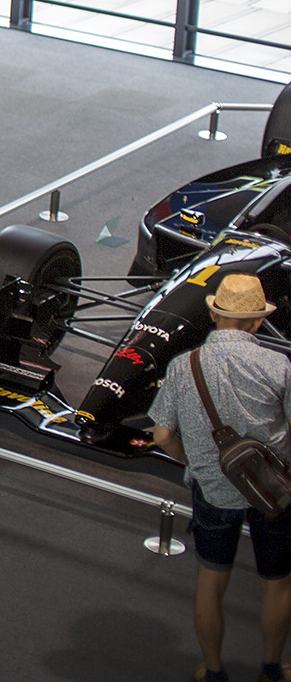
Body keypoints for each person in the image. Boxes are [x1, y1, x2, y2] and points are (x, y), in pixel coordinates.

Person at [151, 273, 291, 682]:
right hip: (275, 494)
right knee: (277, 585)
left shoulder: (184, 366)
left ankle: (213, 673)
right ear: (258, 321)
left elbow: (162, 435)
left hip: (211, 491)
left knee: (211, 584)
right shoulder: (279, 365)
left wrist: (196, 463)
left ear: (214, 314)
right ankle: (270, 671)